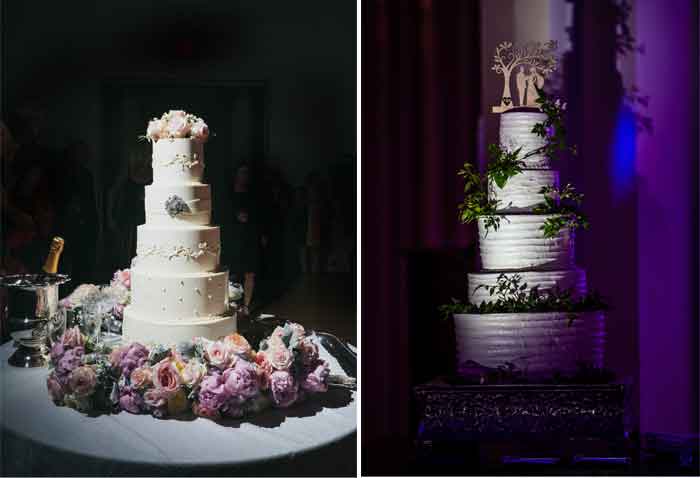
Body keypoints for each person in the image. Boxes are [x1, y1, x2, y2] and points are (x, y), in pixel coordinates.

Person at [228, 163, 264, 315]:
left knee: (250, 273)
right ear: (236, 175)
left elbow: (259, 216)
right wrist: (235, 217)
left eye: (246, 173)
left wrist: (261, 234)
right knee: (233, 272)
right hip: (233, 237)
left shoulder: (253, 195)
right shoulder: (229, 195)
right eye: (242, 172)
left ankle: (247, 305)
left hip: (250, 237)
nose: (244, 176)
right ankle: (233, 303)